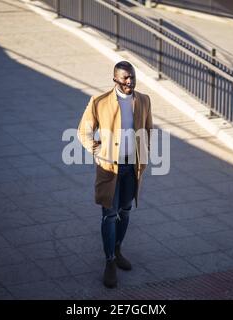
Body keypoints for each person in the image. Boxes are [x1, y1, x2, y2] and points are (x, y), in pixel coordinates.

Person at [77, 61, 153, 288]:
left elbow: (148, 130)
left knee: (126, 211)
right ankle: (109, 261)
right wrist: (96, 150)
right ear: (115, 80)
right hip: (110, 168)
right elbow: (83, 131)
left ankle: (118, 250)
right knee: (109, 215)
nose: (130, 81)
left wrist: (145, 154)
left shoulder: (144, 100)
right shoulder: (99, 102)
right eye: (125, 78)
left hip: (132, 167)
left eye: (132, 76)